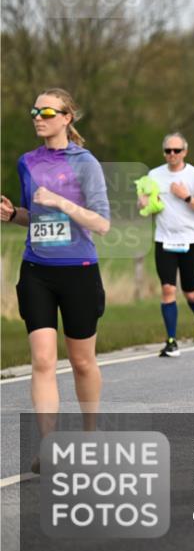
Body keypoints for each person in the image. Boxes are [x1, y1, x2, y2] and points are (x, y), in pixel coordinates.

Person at [1, 88, 110, 474]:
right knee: (43, 360)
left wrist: (63, 202)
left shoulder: (86, 164)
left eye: (47, 110)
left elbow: (102, 222)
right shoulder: (26, 162)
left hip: (79, 269)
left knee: (81, 362)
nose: (38, 116)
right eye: (34, 110)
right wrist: (14, 214)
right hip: (37, 271)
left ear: (67, 118)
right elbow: (36, 216)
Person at [141, 132, 194, 357]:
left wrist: (186, 197)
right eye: (168, 151)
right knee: (167, 289)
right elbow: (144, 207)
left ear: (185, 152)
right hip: (164, 239)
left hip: (191, 240)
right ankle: (171, 341)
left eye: (176, 151)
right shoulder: (153, 175)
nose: (172, 155)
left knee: (190, 293)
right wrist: (146, 203)